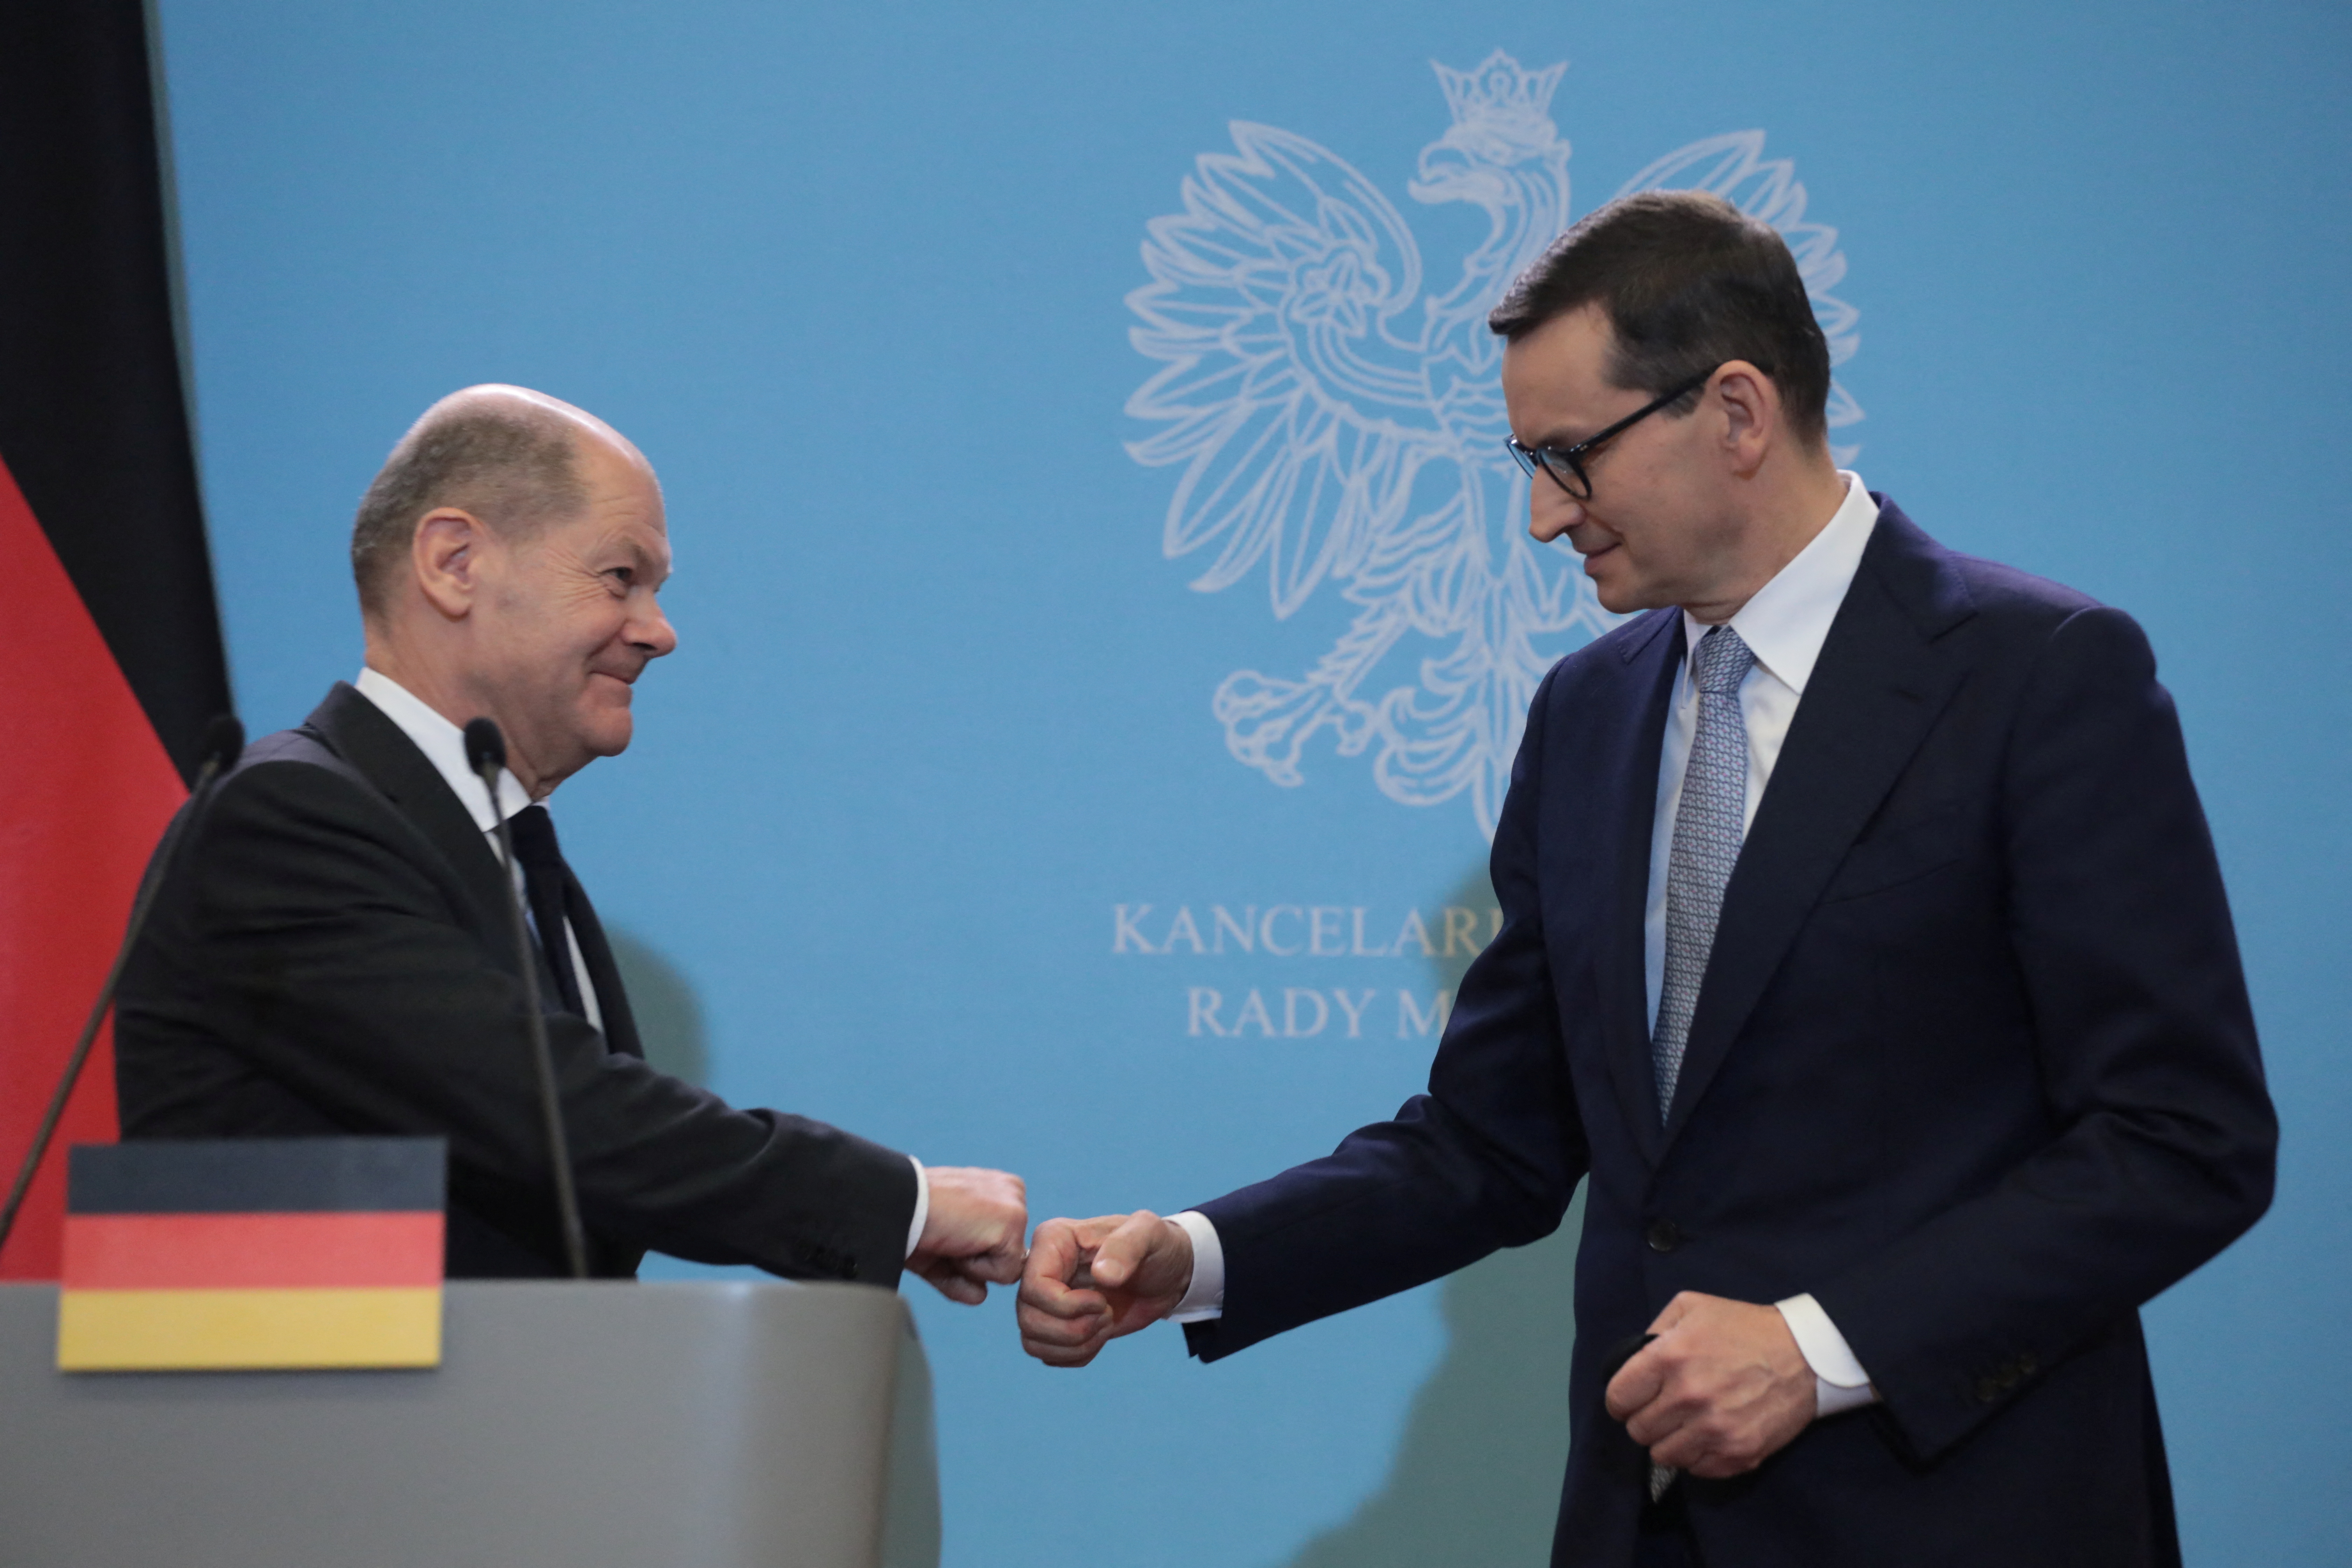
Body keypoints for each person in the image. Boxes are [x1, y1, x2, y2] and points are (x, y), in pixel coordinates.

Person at [1016, 193, 2276, 1566]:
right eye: (1529, 463)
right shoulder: (1588, 711)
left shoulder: (2039, 678)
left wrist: (1818, 1349)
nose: (1541, 517)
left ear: (1736, 412)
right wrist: (1196, 1256)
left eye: (1571, 458)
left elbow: (2180, 1139)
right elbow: (1491, 1142)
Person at [117, 385, 1026, 1299]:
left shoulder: (505, 850)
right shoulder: (286, 820)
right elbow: (563, 1117)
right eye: (621, 577)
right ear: (455, 563)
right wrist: (903, 1206)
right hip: (317, 1393)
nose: (660, 633)